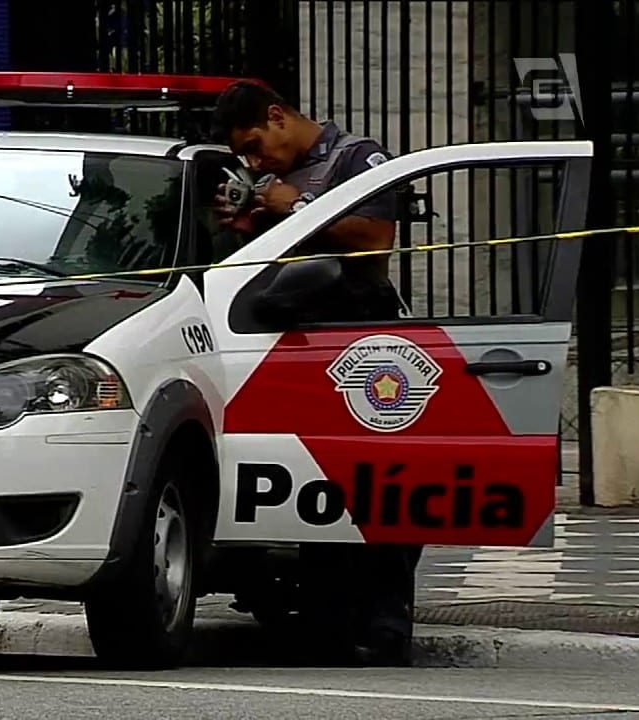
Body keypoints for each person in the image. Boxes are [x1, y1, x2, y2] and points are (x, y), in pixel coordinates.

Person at [209, 80, 420, 666]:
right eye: (245, 156)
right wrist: (248, 220)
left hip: (365, 346)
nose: (256, 161)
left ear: (278, 116)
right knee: (314, 487)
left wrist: (293, 206)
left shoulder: (357, 158)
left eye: (257, 145)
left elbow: (375, 240)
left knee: (380, 489)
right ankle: (323, 619)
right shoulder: (267, 180)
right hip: (293, 348)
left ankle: (384, 624)